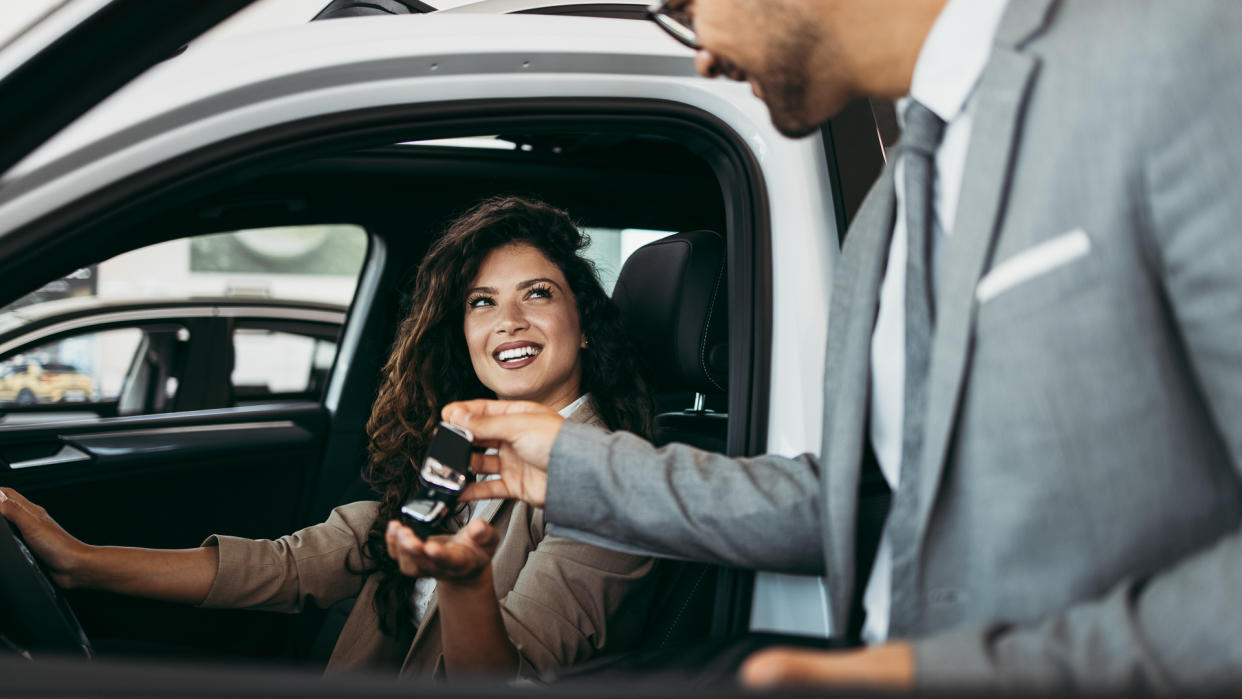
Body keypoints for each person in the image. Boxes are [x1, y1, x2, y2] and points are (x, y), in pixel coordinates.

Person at [441, 0, 1242, 692]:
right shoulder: (888, 214)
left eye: (685, 8)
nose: (705, 52)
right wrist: (577, 465)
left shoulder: (1179, 54)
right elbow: (865, 503)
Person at [0, 196, 657, 680]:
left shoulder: (611, 483)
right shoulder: (464, 443)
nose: (507, 321)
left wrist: (463, 581)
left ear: (587, 323)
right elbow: (299, 563)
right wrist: (78, 560)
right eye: (480, 302)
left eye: (536, 294)